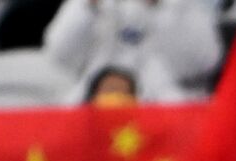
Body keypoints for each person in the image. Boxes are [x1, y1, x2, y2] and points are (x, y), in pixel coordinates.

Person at [43, 0, 222, 102]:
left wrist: (157, 8)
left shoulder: (184, 5)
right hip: (96, 117)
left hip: (166, 119)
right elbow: (60, 54)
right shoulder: (91, 4)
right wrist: (89, 8)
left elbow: (204, 61)